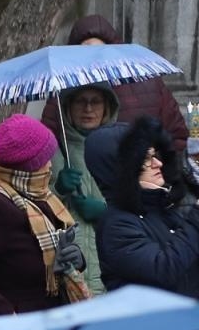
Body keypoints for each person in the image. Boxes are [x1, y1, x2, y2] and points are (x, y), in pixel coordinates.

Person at [0, 114, 90, 315]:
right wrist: (6, 313)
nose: (49, 166)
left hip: (51, 321)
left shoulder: (42, 197)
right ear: (29, 167)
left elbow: (47, 250)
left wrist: (76, 258)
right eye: (44, 159)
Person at [85, 116, 199, 299]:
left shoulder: (161, 207)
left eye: (155, 155)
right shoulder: (116, 225)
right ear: (122, 168)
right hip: (156, 325)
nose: (158, 163)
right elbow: (163, 269)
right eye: (145, 159)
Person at [41, 14, 187, 154]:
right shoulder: (63, 90)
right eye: (84, 55)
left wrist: (150, 167)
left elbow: (177, 137)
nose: (93, 62)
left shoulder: (147, 83)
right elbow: (45, 143)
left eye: (99, 53)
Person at [49, 84, 122, 295]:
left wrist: (106, 212)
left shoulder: (122, 151)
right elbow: (35, 208)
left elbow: (140, 206)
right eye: (80, 101)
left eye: (95, 101)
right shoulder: (53, 149)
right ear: (68, 107)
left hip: (111, 261)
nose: (88, 109)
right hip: (69, 263)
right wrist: (58, 188)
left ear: (107, 106)